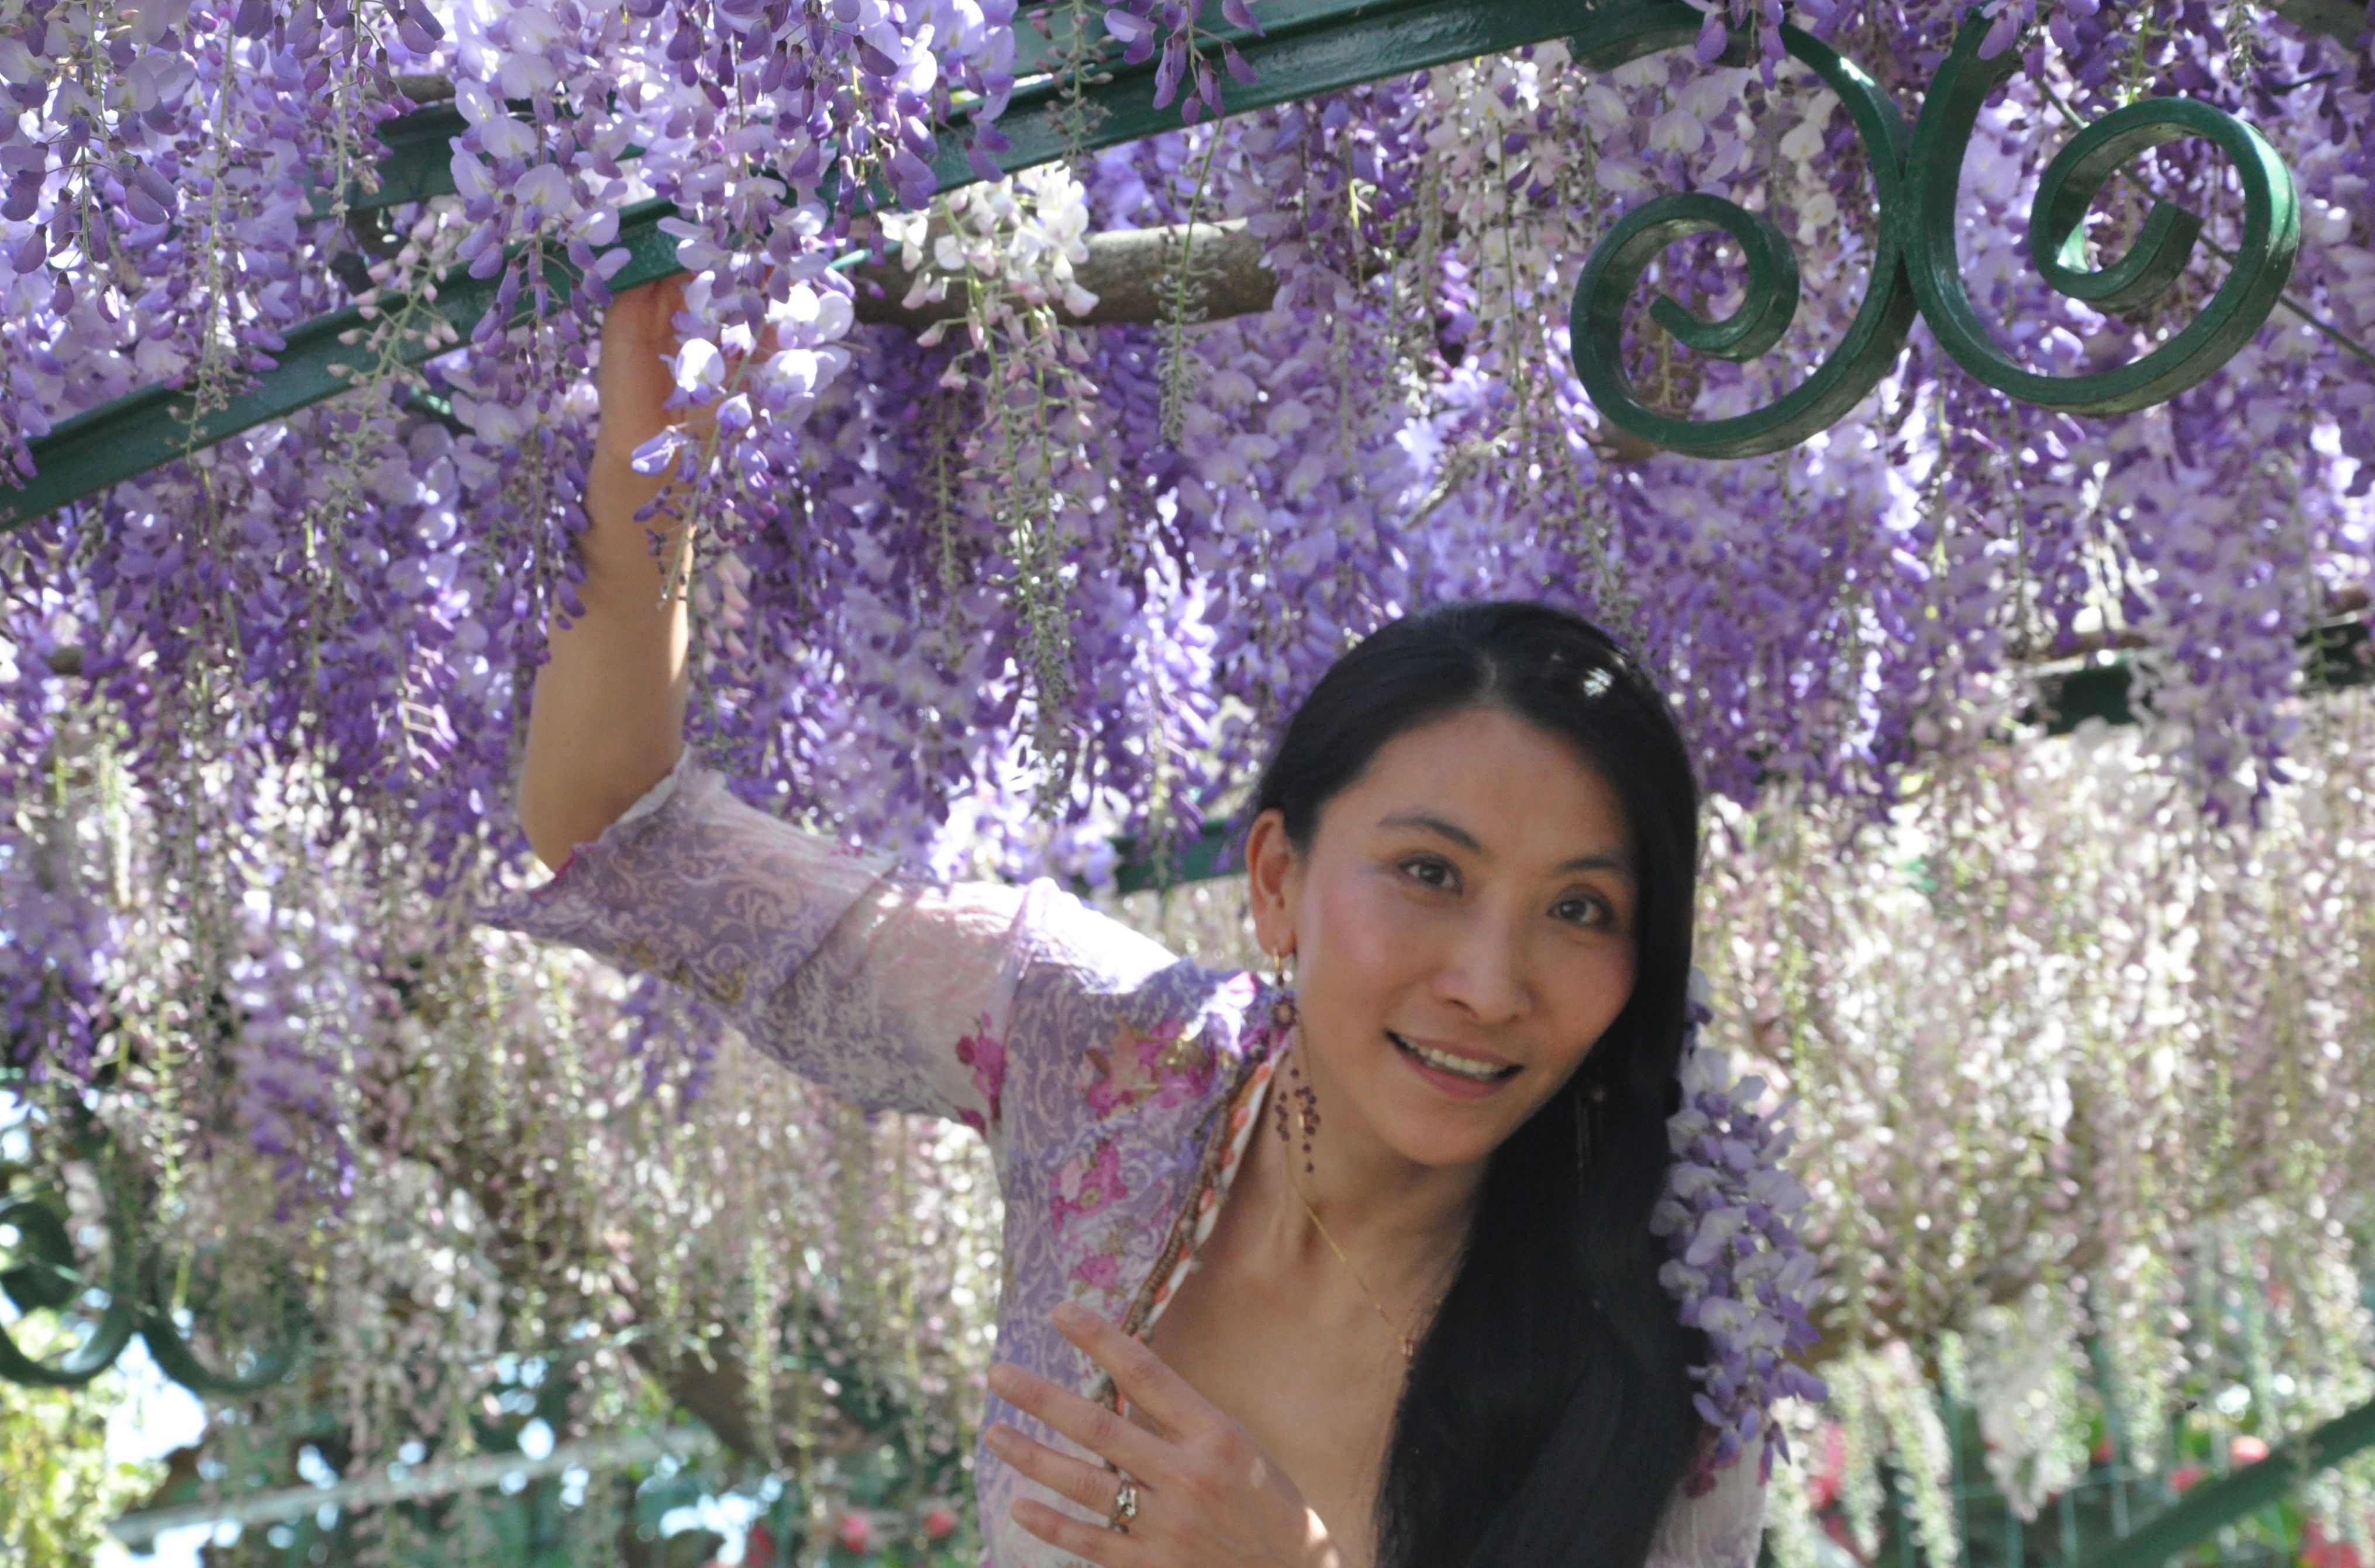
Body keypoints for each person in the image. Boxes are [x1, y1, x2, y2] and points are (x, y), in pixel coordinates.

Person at [489, 276, 1803, 1568]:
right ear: (1275, 881)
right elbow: (627, 835)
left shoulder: (1671, 1336)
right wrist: (649, 460)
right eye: (1428, 873)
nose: (1488, 980)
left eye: (1579, 906)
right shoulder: (1110, 1052)